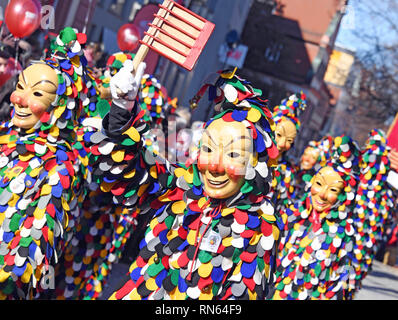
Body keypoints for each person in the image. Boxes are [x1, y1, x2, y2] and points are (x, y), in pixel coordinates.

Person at [87, 65, 280, 300]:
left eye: (232, 155)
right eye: (208, 149)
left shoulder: (260, 226)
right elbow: (125, 168)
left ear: (254, 165)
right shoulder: (179, 187)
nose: (215, 166)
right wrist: (121, 111)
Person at [0, 26, 98, 299]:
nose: (19, 99)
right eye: (20, 87)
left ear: (59, 105)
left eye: (37, 94)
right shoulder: (5, 138)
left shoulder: (63, 166)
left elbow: (35, 249)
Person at [271, 135, 361, 300]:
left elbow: (346, 278)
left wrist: (345, 290)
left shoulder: (345, 234)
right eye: (318, 184)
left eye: (333, 190)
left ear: (343, 195)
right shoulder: (289, 215)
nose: (322, 194)